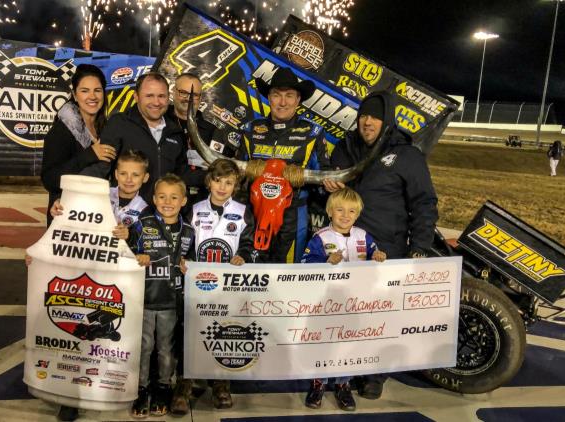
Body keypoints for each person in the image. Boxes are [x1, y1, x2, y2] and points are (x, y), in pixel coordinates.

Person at [323, 92, 438, 400]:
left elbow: (424, 202)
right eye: (363, 116)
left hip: (386, 251)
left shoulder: (406, 155)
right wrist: (330, 187)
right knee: (346, 311)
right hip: (347, 249)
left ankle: (374, 374)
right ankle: (343, 367)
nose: (367, 122)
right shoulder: (345, 148)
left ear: (386, 120)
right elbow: (333, 199)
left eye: (374, 117)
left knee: (380, 315)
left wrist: (421, 246)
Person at [169, 159, 256, 415]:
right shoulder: (194, 210)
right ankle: (183, 387)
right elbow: (181, 242)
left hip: (228, 288)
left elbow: (250, 245)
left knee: (226, 333)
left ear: (235, 185)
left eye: (228, 182)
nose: (222, 187)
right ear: (209, 181)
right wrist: (182, 261)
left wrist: (244, 256)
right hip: (197, 285)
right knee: (190, 333)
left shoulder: (243, 211)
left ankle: (221, 385)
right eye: (218, 181)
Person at [302, 187, 386, 411]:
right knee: (325, 343)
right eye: (339, 210)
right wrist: (325, 260)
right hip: (327, 303)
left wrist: (378, 256)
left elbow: (374, 253)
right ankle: (318, 383)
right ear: (330, 212)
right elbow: (305, 265)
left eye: (351, 211)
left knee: (348, 344)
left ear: (357, 214)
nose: (345, 215)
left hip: (355, 303)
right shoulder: (321, 238)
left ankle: (343, 384)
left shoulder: (363, 236)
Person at [237, 66, 329, 263]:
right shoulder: (250, 129)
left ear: (298, 100)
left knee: (287, 275)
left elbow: (324, 179)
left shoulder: (312, 132)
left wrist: (305, 176)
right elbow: (233, 180)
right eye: (276, 95)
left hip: (294, 217)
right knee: (251, 276)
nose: (282, 102)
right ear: (268, 98)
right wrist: (248, 173)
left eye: (289, 95)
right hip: (253, 216)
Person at [127, 174, 195, 418]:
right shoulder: (141, 224)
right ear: (154, 199)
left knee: (166, 349)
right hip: (145, 299)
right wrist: (138, 254)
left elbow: (194, 262)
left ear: (183, 201)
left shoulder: (189, 231)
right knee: (144, 347)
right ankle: (142, 388)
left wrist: (191, 265)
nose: (168, 202)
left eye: (174, 197)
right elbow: (126, 251)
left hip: (172, 302)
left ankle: (163, 388)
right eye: (162, 196)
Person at [81, 72, 188, 203]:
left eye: (161, 96)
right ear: (136, 96)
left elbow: (182, 177)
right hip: (124, 216)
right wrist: (73, 200)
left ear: (168, 98)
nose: (156, 102)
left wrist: (214, 174)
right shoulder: (119, 124)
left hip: (162, 216)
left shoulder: (175, 131)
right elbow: (98, 170)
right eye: (149, 96)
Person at [41, 64, 116, 227]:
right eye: (84, 90)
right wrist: (90, 154)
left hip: (97, 217)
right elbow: (49, 179)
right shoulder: (62, 130)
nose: (92, 96)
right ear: (75, 95)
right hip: (65, 217)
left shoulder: (106, 129)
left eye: (97, 90)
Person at [169, 73, 239, 207]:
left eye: (194, 95)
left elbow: (226, 170)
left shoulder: (213, 131)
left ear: (200, 98)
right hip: (166, 201)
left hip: (202, 205)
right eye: (183, 92)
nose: (188, 98)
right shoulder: (160, 123)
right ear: (173, 92)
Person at [49, 149, 150, 238]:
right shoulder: (100, 194)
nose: (129, 179)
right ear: (116, 174)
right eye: (123, 173)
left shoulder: (144, 209)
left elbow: (145, 241)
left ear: (145, 177)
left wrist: (129, 236)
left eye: (135, 175)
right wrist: (62, 204)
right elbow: (77, 207)